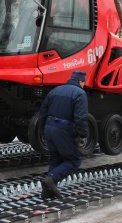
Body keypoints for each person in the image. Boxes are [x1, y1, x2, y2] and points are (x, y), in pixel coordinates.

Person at [38, 70, 89, 198]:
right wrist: (82, 134)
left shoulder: (55, 90)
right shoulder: (80, 93)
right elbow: (81, 117)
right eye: (84, 82)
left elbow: (42, 112)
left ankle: (47, 192)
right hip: (63, 129)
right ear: (80, 81)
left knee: (56, 159)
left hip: (49, 127)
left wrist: (42, 130)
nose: (84, 84)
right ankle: (51, 180)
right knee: (73, 160)